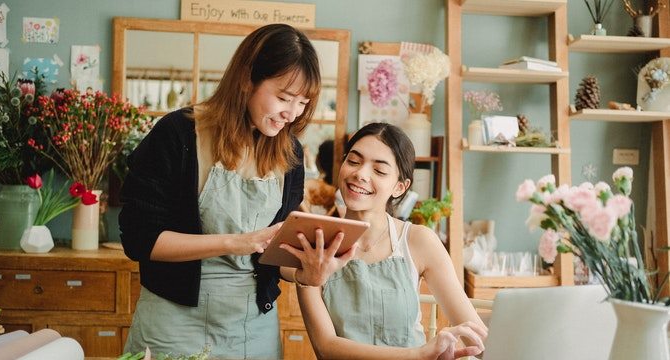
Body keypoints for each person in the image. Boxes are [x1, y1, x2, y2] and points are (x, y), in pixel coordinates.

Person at [118, 23, 355, 359]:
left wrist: (307, 269)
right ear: (247, 79)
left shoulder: (290, 153)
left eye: (302, 102)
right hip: (172, 323)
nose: (292, 113)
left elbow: (277, 256)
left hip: (253, 327)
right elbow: (140, 239)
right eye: (284, 97)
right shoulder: (178, 134)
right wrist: (235, 242)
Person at [284, 122, 488, 359]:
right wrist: (419, 355)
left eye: (379, 171)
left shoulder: (418, 240)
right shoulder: (314, 242)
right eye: (353, 161)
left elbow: (477, 337)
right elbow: (326, 346)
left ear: (400, 187)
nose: (360, 174)